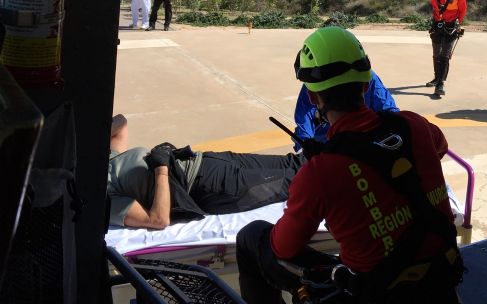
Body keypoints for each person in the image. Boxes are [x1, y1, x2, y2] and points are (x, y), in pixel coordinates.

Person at [236, 27, 461, 304]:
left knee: (251, 236)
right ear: (367, 85)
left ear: (312, 97)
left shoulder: (320, 173)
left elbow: (282, 246)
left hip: (378, 293)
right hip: (441, 278)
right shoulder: (415, 125)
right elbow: (439, 147)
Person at [107, 114, 304, 229]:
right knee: (296, 180)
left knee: (293, 162)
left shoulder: (103, 161)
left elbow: (121, 122)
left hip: (206, 161)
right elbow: (158, 219)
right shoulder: (104, 199)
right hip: (210, 187)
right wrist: (161, 169)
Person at [293, 70, 398, 149]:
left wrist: (306, 146)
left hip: (337, 147)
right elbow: (390, 113)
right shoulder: (408, 123)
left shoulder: (315, 83)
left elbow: (304, 119)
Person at [426, 0, 466, 96]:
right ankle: (436, 78)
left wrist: (457, 23)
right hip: (437, 24)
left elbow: (462, 11)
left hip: (451, 26)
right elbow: (435, 9)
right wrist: (437, 23)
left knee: (445, 55)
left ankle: (440, 84)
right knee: (436, 54)